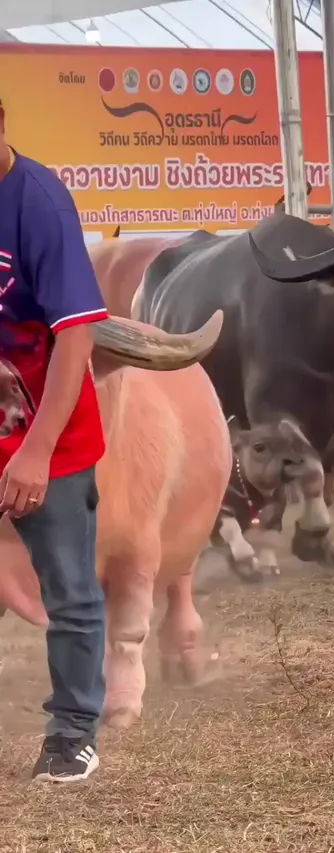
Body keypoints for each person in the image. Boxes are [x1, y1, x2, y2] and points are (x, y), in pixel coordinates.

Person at [0, 99, 108, 783]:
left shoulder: (39, 203)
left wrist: (36, 448)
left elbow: (76, 332)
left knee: (68, 587)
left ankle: (72, 733)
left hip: (48, 429)